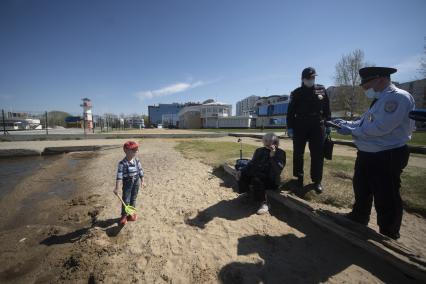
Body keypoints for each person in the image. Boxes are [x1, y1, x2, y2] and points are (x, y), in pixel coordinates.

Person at [333, 67, 415, 240]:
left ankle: (389, 233)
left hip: (387, 154)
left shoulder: (397, 97)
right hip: (368, 153)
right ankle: (358, 218)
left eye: (366, 83)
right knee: (361, 188)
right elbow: (364, 122)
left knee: (386, 195)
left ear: (380, 79)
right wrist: (346, 124)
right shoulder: (380, 99)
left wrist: (352, 132)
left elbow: (381, 128)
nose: (363, 88)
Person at [286, 67, 331, 193]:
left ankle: (317, 181)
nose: (311, 80)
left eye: (313, 77)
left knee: (318, 154)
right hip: (300, 125)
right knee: (298, 153)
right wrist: (290, 127)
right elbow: (290, 112)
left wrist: (328, 124)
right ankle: (298, 179)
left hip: (318, 125)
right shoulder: (296, 93)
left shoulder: (321, 90)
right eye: (309, 78)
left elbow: (327, 108)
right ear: (303, 79)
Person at [236, 133, 286, 215]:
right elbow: (251, 164)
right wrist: (241, 170)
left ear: (275, 142)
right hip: (258, 174)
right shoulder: (259, 150)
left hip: (271, 178)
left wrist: (272, 156)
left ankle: (265, 203)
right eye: (265, 140)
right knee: (243, 174)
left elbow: (277, 170)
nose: (267, 142)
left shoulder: (280, 153)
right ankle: (247, 193)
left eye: (270, 141)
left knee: (257, 179)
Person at [114, 141, 145, 225]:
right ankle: (124, 216)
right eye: (134, 150)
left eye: (136, 150)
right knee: (126, 199)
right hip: (127, 183)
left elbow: (140, 170)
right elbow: (119, 176)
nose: (136, 152)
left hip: (136, 181)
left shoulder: (137, 161)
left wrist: (142, 181)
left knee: (133, 198)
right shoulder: (122, 163)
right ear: (126, 151)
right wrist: (117, 188)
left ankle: (131, 214)